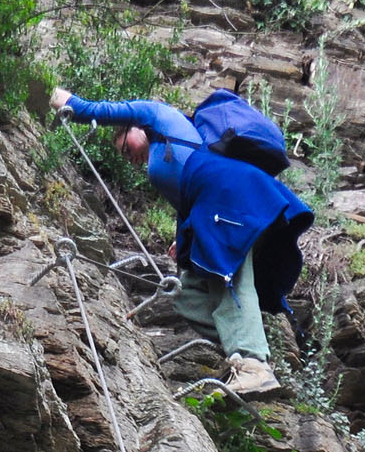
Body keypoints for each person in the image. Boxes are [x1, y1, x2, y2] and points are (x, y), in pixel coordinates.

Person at [48, 86, 313, 399]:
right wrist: (183, 239)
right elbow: (187, 203)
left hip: (230, 194)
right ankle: (246, 352)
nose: (128, 157)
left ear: (136, 128)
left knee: (227, 274)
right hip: (215, 203)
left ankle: (253, 365)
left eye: (125, 147)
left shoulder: (160, 116)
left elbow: (100, 111)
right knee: (187, 290)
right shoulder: (164, 156)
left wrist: (66, 101)